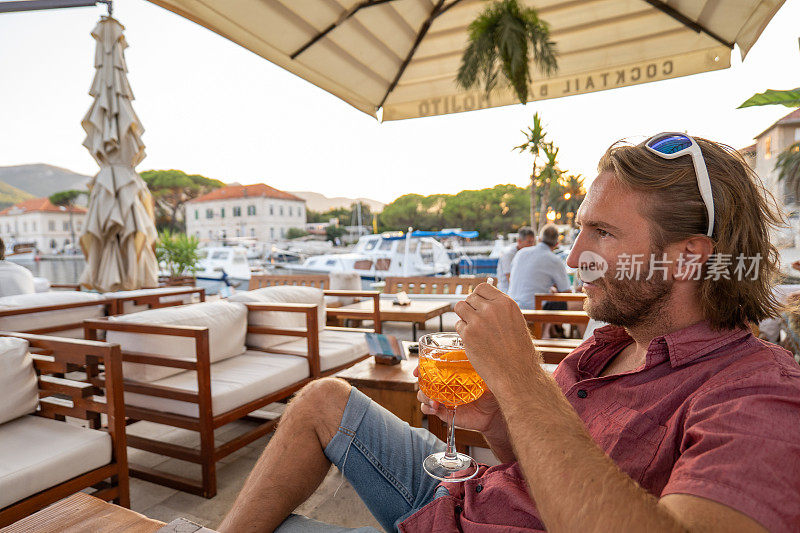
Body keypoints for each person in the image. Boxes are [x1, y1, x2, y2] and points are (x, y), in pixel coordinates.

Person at [219, 134, 800, 533]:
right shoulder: (611, 347)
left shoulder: (759, 394)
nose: (574, 257)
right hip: (473, 501)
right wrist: (499, 420)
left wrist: (523, 378)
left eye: (601, 233)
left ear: (687, 257)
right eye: (578, 230)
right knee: (324, 398)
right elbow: (536, 466)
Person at [508, 223, 571, 310]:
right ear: (557, 244)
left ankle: (549, 323)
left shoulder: (521, 253)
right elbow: (567, 292)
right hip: (534, 309)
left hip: (512, 308)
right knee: (578, 305)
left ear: (539, 239)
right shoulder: (554, 260)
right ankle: (548, 323)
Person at [495, 226, 535, 293]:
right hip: (507, 294)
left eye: (533, 242)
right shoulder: (509, 255)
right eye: (529, 242)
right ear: (519, 241)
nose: (532, 245)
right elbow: (510, 280)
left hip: (520, 292)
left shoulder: (527, 254)